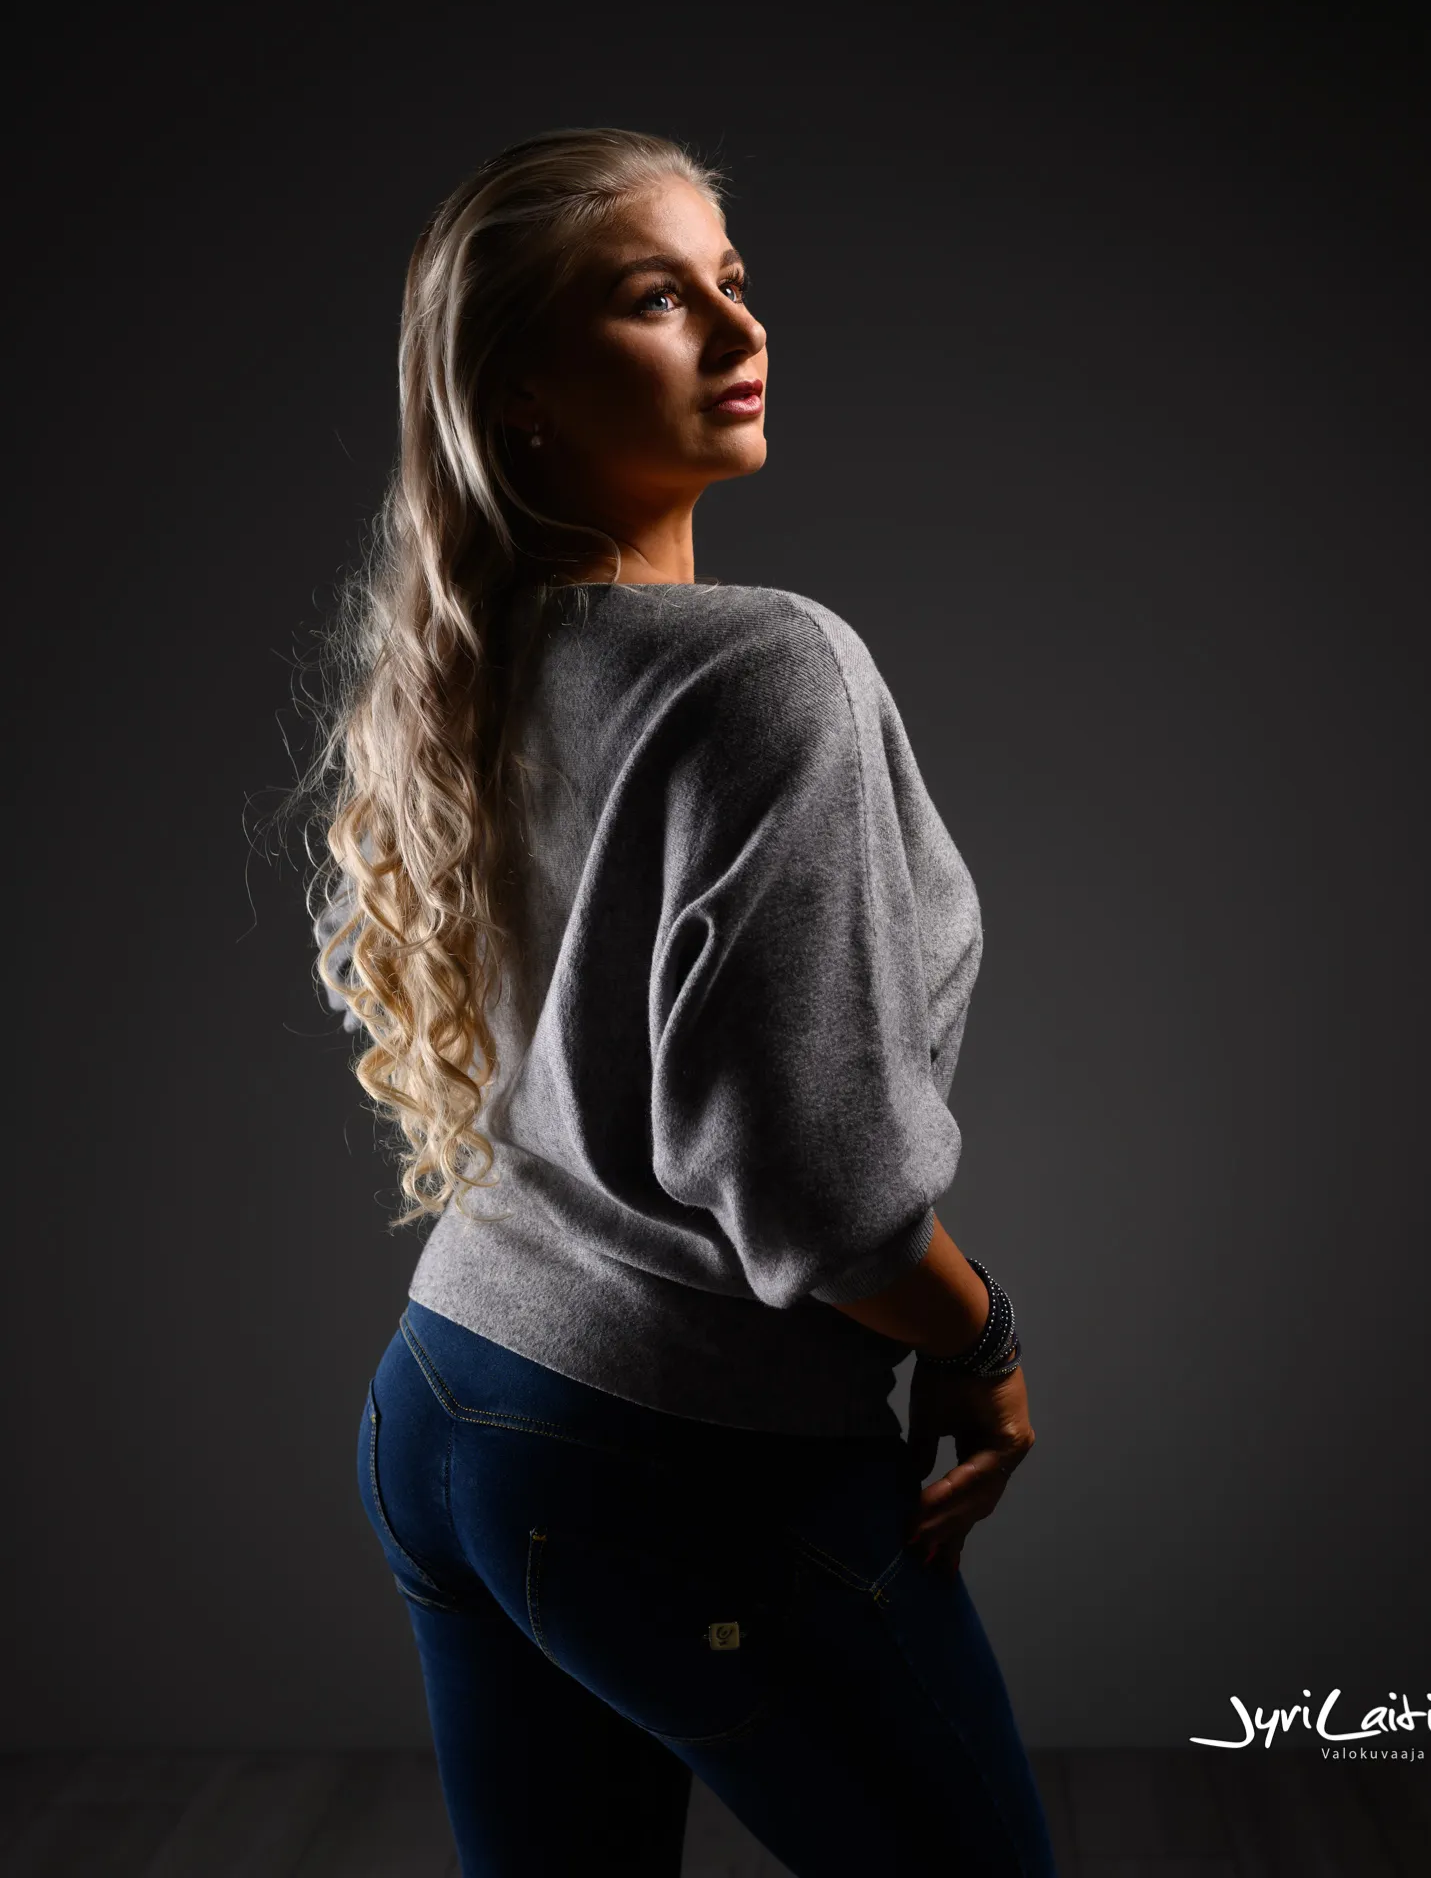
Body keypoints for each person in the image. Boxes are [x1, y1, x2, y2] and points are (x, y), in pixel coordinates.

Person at [299, 127, 1055, 1876]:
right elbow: (812, 1186)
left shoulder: (469, 670)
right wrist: (984, 1349)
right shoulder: (764, 667)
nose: (735, 328)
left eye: (733, 282)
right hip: (679, 1466)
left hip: (445, 1406)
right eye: (657, 298)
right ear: (530, 393)